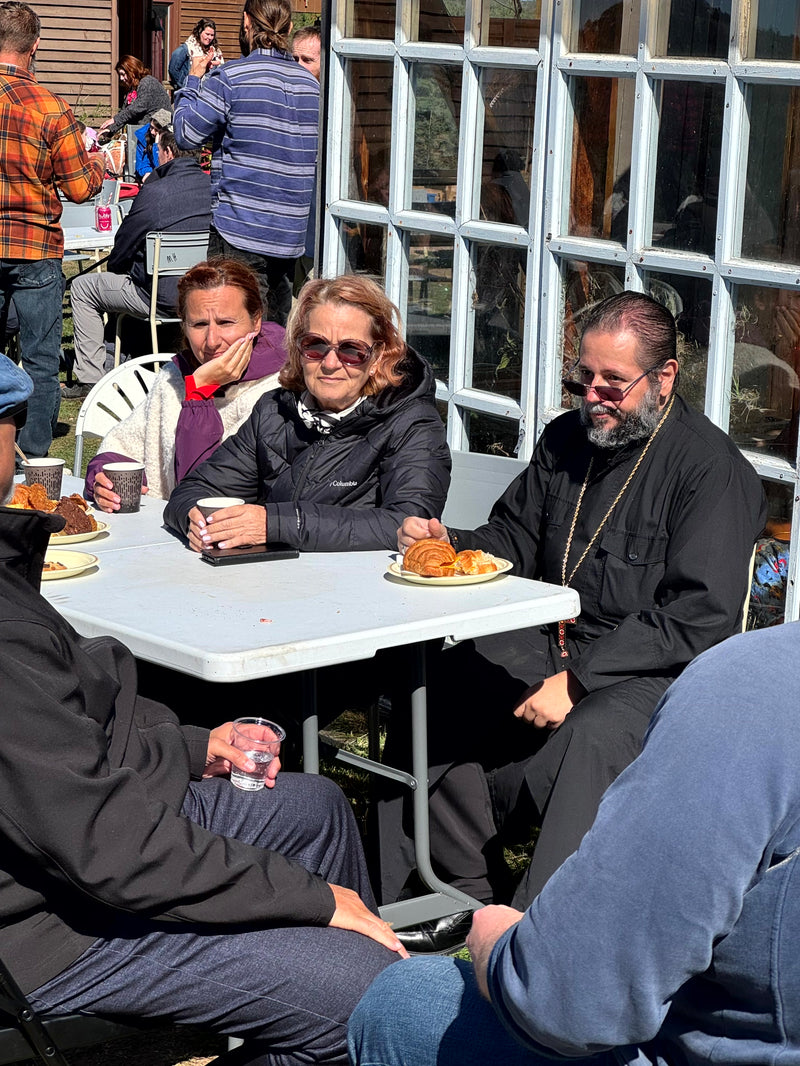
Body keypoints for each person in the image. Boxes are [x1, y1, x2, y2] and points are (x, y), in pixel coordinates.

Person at [0, 352, 405, 1065]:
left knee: (311, 807)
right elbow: (107, 845)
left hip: (60, 857)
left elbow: (54, 751)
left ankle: (288, 1009)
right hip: (42, 932)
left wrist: (187, 748)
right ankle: (331, 1002)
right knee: (367, 993)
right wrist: (313, 899)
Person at [389, 290, 765, 931]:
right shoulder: (567, 438)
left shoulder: (710, 471)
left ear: (664, 377)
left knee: (592, 737)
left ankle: (541, 934)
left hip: (652, 668)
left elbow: (698, 616)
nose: (593, 396)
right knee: (436, 682)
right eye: (582, 378)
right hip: (551, 638)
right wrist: (449, 544)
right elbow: (512, 537)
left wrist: (580, 681)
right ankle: (451, 890)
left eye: (613, 382)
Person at [349, 619, 800, 1066]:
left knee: (399, 999)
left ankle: (533, 925)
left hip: (695, 1045)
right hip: (558, 646)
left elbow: (569, 1003)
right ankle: (454, 885)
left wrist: (499, 951)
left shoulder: (752, 687)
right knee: (445, 685)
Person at [164, 274, 450, 552]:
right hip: (275, 576)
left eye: (351, 351)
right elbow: (194, 489)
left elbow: (410, 525)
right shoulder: (275, 411)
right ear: (298, 349)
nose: (330, 363)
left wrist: (276, 524)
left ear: (377, 358)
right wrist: (195, 520)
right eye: (315, 346)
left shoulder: (412, 423)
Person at [85, 259, 286, 510]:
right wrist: (104, 479)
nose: (212, 341)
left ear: (256, 321)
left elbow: (204, 494)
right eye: (199, 324)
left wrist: (200, 394)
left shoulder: (280, 391)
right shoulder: (174, 377)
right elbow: (124, 444)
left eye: (225, 322)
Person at [0, 0, 103, 459]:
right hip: (35, 245)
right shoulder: (51, 108)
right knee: (41, 359)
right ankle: (35, 457)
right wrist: (97, 164)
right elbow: (80, 189)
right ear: (35, 46)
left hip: (25, 244)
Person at [174, 0, 319, 326]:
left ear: (246, 22)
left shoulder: (230, 78)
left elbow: (185, 134)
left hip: (238, 229)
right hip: (288, 235)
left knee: (233, 333)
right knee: (275, 336)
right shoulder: (312, 87)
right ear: (289, 28)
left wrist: (193, 80)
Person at [65, 132, 212, 397]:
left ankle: (90, 378)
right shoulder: (214, 188)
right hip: (204, 294)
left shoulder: (156, 191)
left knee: (82, 288)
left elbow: (124, 244)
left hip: (158, 297)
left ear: (168, 152)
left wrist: (121, 268)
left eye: (157, 151)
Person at [97, 55, 171, 142]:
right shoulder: (133, 88)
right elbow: (126, 111)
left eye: (123, 74)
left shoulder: (148, 82)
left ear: (132, 70)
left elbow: (138, 107)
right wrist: (110, 130)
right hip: (146, 130)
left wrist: (115, 119)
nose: (121, 78)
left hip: (161, 129)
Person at [169, 17, 224, 90]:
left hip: (207, 92)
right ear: (200, 32)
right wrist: (184, 85)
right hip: (191, 90)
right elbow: (173, 69)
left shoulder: (215, 52)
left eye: (212, 35)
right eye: (207, 34)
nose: (209, 37)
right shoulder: (187, 48)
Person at [134, 106, 172, 183]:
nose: (152, 132)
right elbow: (141, 163)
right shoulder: (143, 138)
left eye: (156, 130)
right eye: (151, 127)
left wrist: (156, 146)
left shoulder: (171, 142)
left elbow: (163, 167)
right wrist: (148, 172)